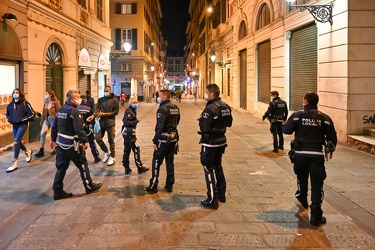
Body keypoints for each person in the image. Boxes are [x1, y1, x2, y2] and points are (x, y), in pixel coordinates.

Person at [283, 92, 337, 226]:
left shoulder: (297, 116)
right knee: (317, 185)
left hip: (300, 154)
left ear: (305, 101)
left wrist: (284, 124)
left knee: (301, 178)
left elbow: (287, 130)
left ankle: (302, 197)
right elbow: (333, 139)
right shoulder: (325, 118)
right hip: (317, 156)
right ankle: (315, 216)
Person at [50, 90, 102, 200]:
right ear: (73, 99)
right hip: (72, 144)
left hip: (61, 143)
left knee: (61, 167)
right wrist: (85, 141)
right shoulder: (74, 111)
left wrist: (53, 139)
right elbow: (79, 129)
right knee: (82, 164)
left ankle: (57, 191)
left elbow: (54, 126)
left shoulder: (61, 110)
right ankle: (89, 185)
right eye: (78, 97)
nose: (80, 99)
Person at [198, 83, 233, 209]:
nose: (205, 94)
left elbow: (205, 127)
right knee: (218, 167)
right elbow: (229, 123)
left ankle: (212, 198)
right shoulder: (225, 106)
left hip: (210, 142)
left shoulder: (210, 108)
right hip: (222, 141)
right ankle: (221, 194)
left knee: (208, 168)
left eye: (206, 92)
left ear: (212, 94)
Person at [146, 89, 180, 193]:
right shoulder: (175, 107)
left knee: (156, 161)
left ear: (165, 97)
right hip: (173, 138)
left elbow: (160, 126)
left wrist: (155, 141)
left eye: (159, 96)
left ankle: (153, 185)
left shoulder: (162, 109)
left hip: (163, 138)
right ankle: (169, 185)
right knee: (170, 161)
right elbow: (178, 120)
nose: (158, 97)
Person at [5, 88, 35, 173]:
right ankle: (27, 151)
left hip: (23, 125)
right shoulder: (10, 104)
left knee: (16, 141)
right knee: (17, 141)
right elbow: (8, 114)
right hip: (14, 125)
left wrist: (22, 119)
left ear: (20, 94)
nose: (15, 94)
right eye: (14, 92)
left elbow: (32, 114)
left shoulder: (25, 103)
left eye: (17, 92)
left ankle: (14, 162)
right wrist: (8, 119)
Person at [121, 97, 149, 175]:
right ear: (130, 103)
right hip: (130, 134)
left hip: (127, 133)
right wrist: (136, 121)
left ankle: (126, 167)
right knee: (136, 149)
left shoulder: (131, 111)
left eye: (136, 102)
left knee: (127, 150)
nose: (136, 104)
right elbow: (126, 122)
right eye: (134, 102)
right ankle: (139, 167)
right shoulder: (129, 112)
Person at [93, 86, 119, 166]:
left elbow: (116, 112)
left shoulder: (115, 100)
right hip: (101, 123)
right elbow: (97, 109)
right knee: (97, 138)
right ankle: (106, 152)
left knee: (111, 140)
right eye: (104, 91)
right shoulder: (101, 99)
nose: (105, 92)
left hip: (110, 123)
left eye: (107, 91)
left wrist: (104, 114)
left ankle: (112, 156)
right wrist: (94, 115)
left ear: (110, 91)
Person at [34, 90, 61, 158]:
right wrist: (42, 120)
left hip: (53, 119)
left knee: (54, 134)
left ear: (50, 95)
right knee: (43, 133)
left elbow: (59, 112)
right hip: (46, 119)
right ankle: (41, 150)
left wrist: (58, 121)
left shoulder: (56, 102)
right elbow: (44, 112)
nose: (45, 95)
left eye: (46, 94)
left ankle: (56, 147)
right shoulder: (46, 102)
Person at [77, 94, 101, 163]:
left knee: (80, 143)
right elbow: (92, 120)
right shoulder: (88, 109)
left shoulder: (76, 109)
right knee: (92, 143)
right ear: (86, 101)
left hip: (80, 129)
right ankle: (96, 157)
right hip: (88, 129)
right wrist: (93, 129)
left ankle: (82, 157)